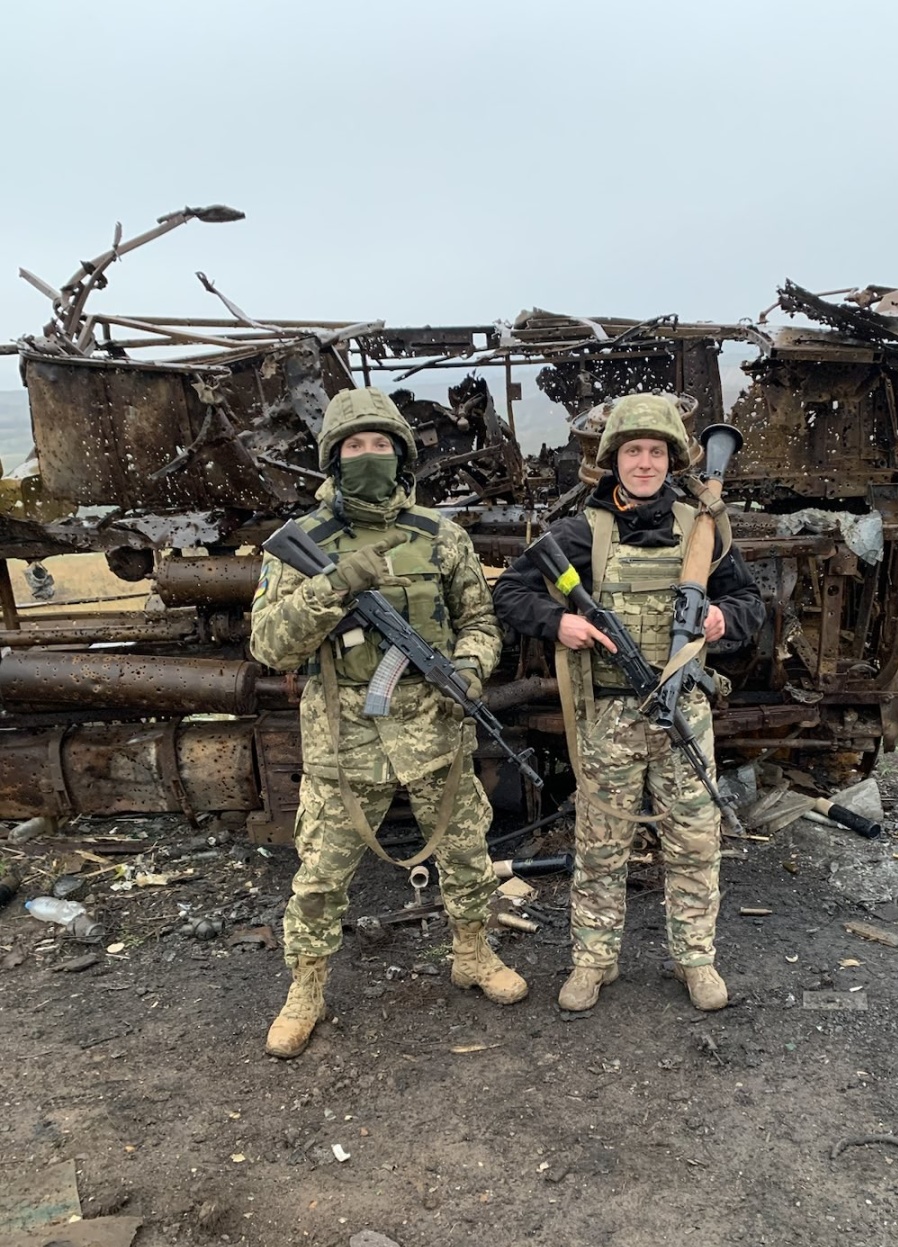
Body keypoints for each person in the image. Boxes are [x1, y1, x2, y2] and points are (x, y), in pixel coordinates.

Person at [250, 387, 527, 1059]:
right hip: (344, 740)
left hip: (436, 730)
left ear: (401, 455)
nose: (368, 455)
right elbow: (270, 646)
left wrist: (469, 668)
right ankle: (306, 990)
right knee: (322, 876)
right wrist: (333, 586)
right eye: (355, 446)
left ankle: (473, 953)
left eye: (381, 445)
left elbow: (480, 621)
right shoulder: (301, 544)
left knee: (466, 855)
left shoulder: (440, 535)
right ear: (333, 458)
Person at [493, 394, 764, 1013]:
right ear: (613, 459)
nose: (645, 463)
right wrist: (559, 623)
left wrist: (723, 618)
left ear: (673, 460)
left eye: (657, 452)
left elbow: (752, 604)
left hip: (683, 714)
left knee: (694, 843)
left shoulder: (701, 528)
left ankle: (696, 961)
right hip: (611, 717)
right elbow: (510, 592)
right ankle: (593, 961)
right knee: (600, 846)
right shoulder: (582, 531)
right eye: (634, 451)